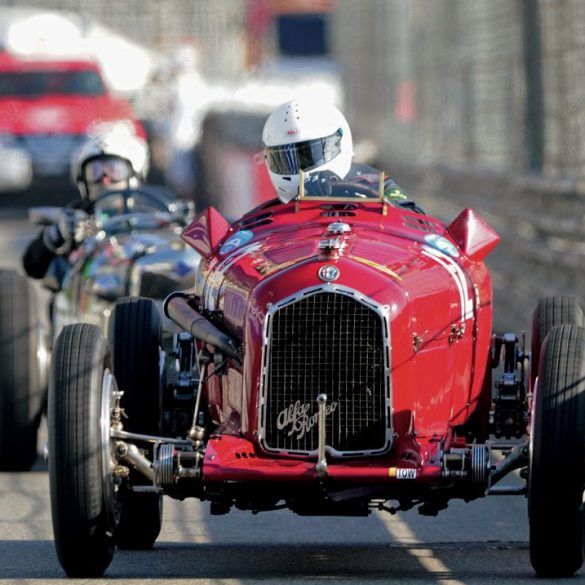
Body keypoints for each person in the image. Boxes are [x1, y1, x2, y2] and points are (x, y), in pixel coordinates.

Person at [22, 126, 149, 280]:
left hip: (136, 289)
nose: (104, 179)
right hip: (87, 292)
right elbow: (32, 267)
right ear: (83, 181)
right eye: (94, 171)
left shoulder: (149, 216)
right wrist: (56, 234)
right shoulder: (76, 217)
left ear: (133, 174)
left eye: (114, 170)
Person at [262, 98, 415, 207]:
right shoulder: (270, 216)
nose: (299, 169)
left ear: (340, 143)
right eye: (284, 159)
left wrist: (351, 196)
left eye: (308, 156)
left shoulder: (376, 186)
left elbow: (417, 224)